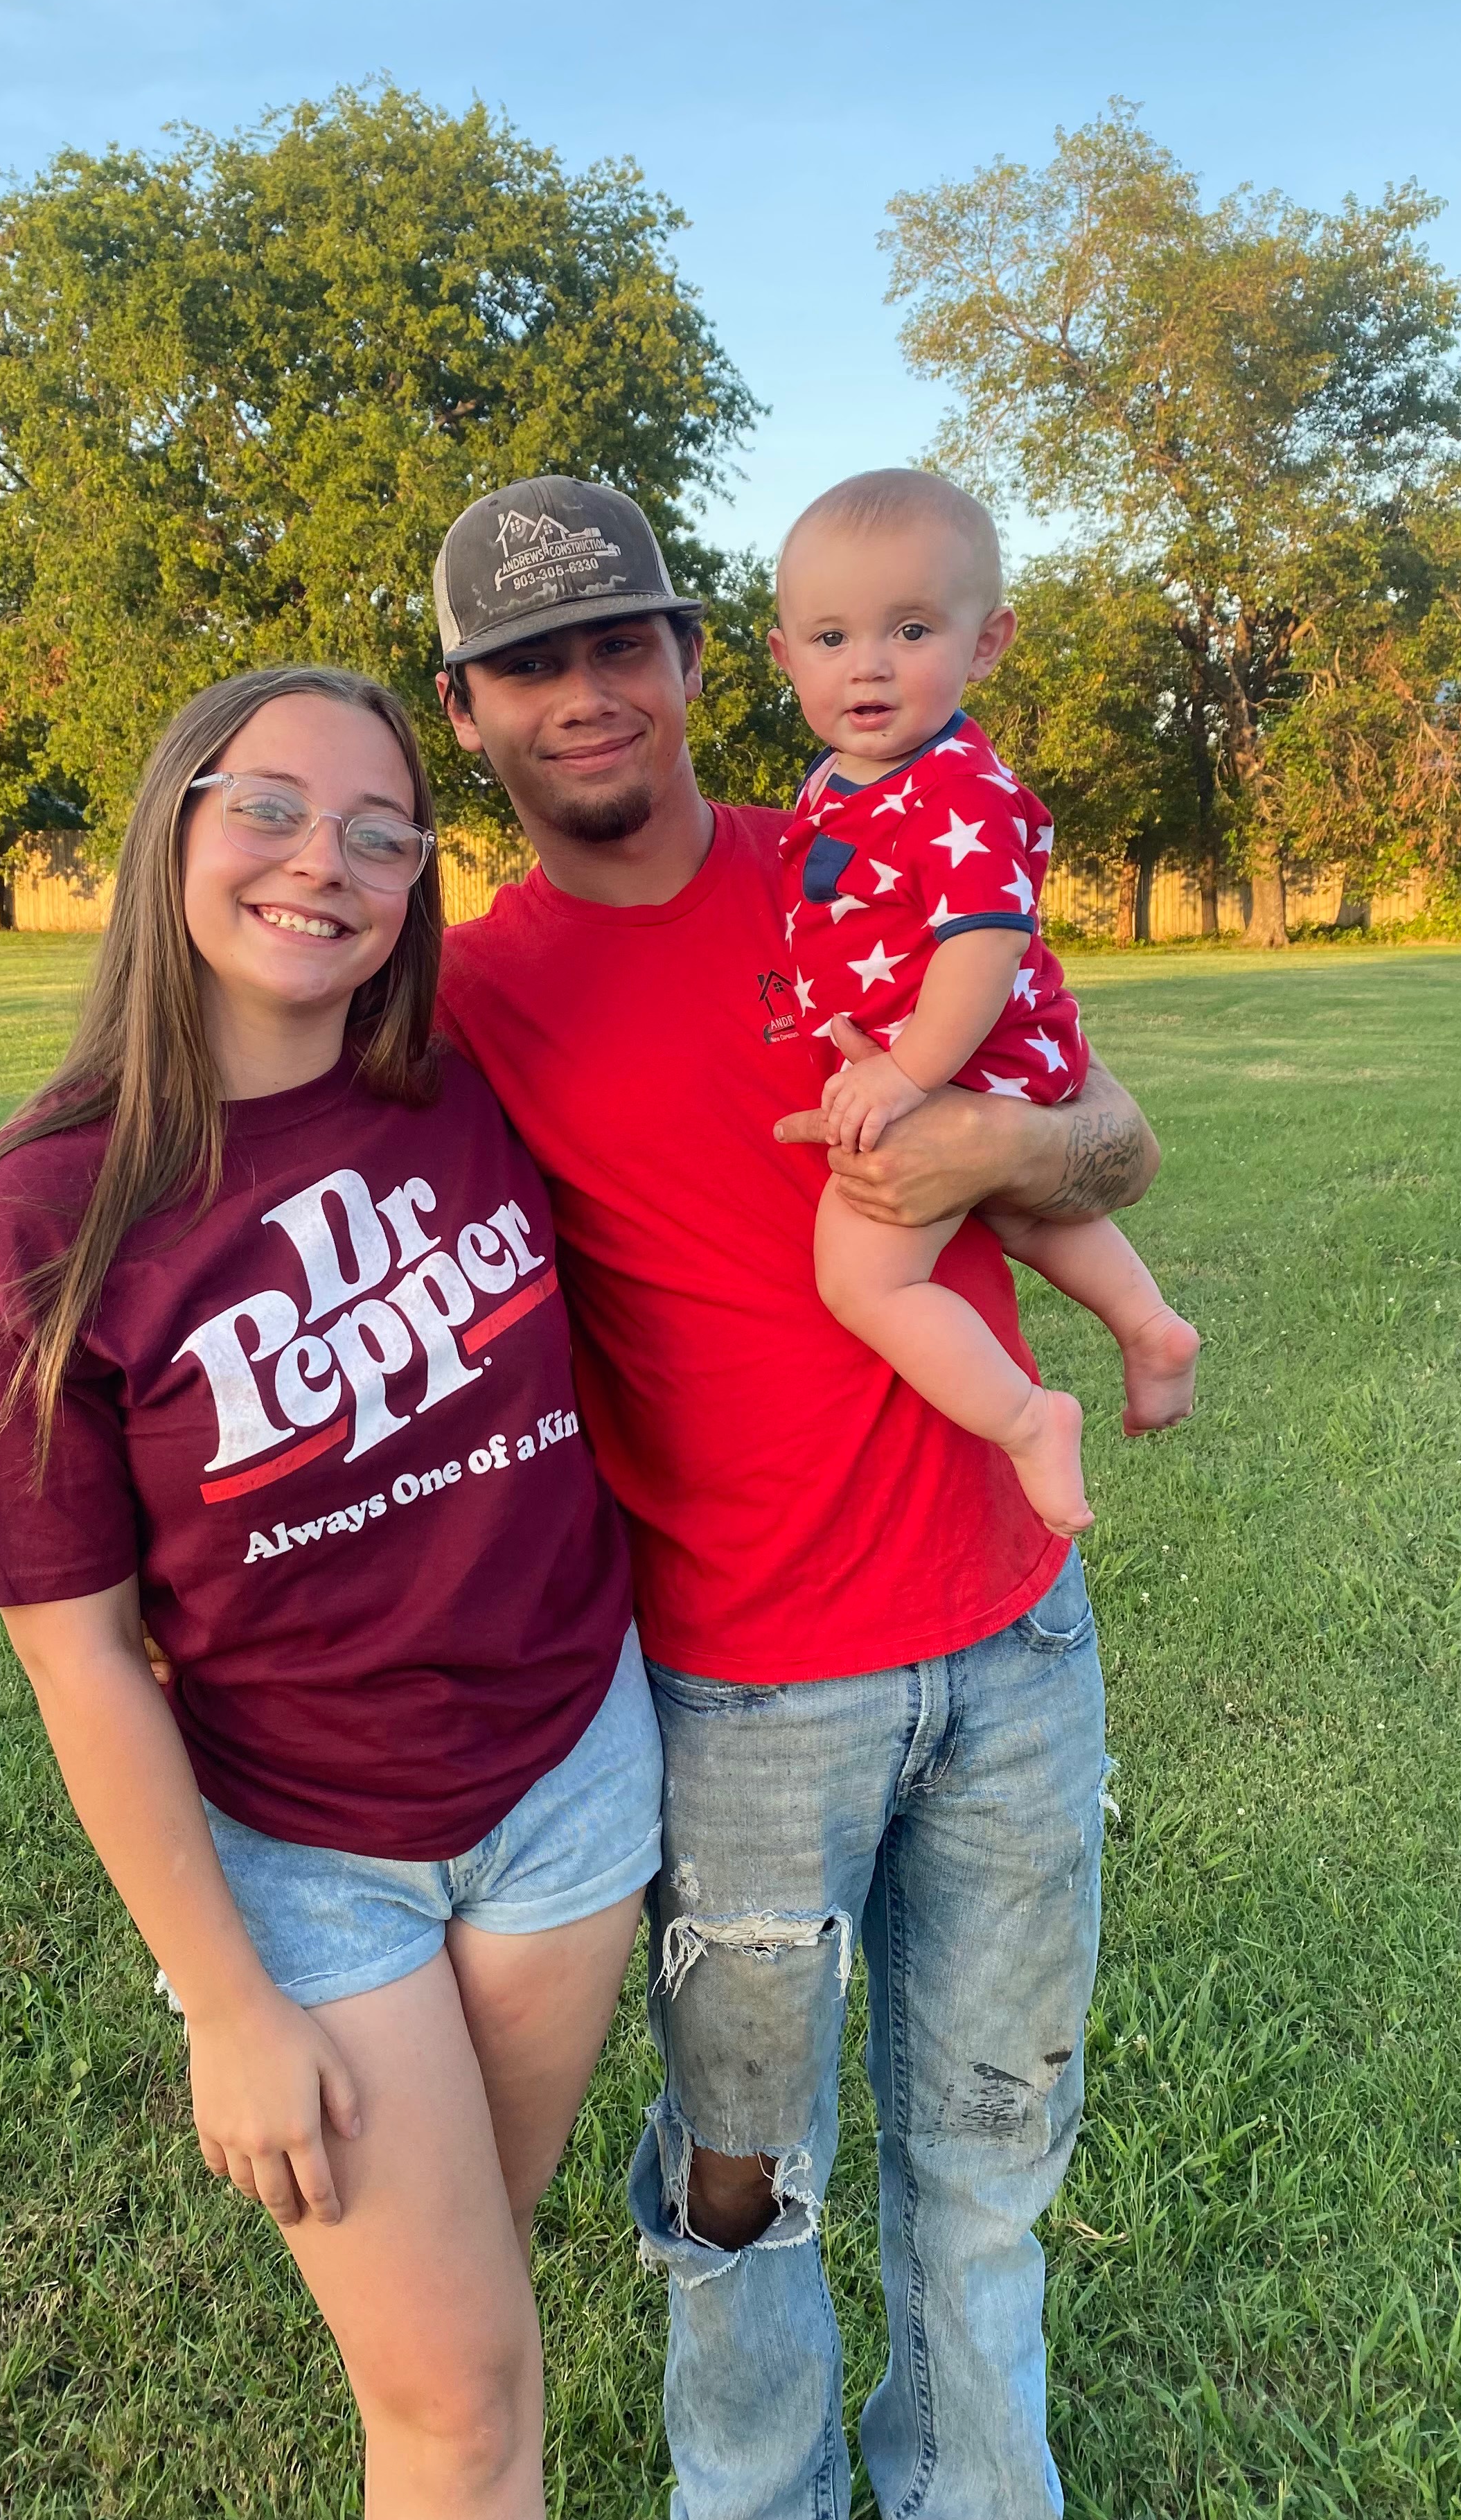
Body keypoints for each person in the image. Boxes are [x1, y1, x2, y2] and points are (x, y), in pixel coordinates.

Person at [431, 474, 1163, 2519]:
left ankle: (974, 2492)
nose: (586, 694)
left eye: (620, 645)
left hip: (1012, 1627)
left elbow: (1113, 1136)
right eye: (529, 667)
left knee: (995, 2141)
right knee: (742, 2185)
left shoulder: (870, 838)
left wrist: (999, 1151)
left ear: (692, 664)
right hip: (744, 1690)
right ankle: (755, 2501)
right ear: (467, 711)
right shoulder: (466, 1002)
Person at [0, 664, 659, 2520]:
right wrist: (227, 2002)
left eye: (382, 834)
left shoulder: (469, 1087)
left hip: (572, 1784)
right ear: (173, 825)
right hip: (311, 1859)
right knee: (460, 2408)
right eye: (268, 808)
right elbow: (83, 1663)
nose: (323, 861)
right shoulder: (34, 1228)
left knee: (475, 2301)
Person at [772, 468, 1201, 1540]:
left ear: (988, 643)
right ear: (785, 658)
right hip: (984, 1056)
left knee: (862, 1278)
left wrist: (905, 1075)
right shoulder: (838, 779)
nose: (869, 664)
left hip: (970, 1054)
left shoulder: (955, 787)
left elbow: (985, 945)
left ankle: (1026, 1420)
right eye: (830, 638)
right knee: (1018, 1207)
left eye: (911, 629)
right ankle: (1149, 1325)